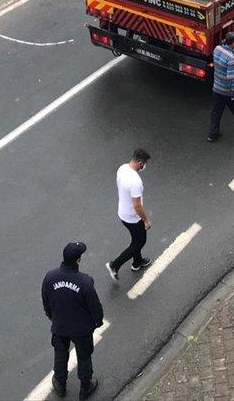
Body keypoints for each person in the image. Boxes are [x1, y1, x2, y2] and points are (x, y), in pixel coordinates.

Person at [42, 242, 103, 400]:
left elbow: (46, 299)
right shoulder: (85, 282)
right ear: (78, 260)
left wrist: (50, 316)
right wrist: (98, 321)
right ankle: (85, 387)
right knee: (84, 356)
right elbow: (95, 306)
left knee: (61, 354)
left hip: (60, 326)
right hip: (81, 330)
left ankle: (60, 384)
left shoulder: (50, 276)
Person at [107, 149, 152, 281]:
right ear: (139, 162)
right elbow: (137, 205)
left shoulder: (122, 168)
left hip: (123, 212)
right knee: (140, 241)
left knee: (135, 239)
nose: (144, 166)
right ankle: (114, 265)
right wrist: (146, 220)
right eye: (144, 163)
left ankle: (137, 262)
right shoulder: (135, 181)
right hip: (133, 217)